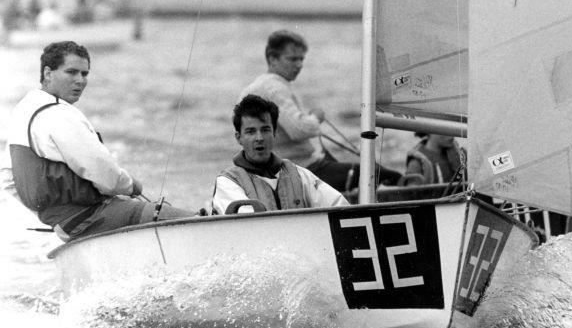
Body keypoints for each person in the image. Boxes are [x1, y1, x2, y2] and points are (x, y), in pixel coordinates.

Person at [0, 41, 194, 241]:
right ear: (48, 73)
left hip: (63, 225)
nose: (80, 81)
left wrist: (52, 217)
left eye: (85, 74)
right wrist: (131, 186)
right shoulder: (59, 114)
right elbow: (103, 171)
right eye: (72, 72)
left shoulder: (24, 110)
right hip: (90, 217)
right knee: (187, 218)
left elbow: (8, 179)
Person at [240, 29, 401, 192]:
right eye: (292, 59)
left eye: (301, 59)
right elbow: (298, 130)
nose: (299, 65)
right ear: (272, 58)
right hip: (299, 172)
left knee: (354, 168)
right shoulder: (274, 88)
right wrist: (316, 117)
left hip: (284, 169)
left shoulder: (257, 87)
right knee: (383, 175)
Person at [212, 94, 348, 214]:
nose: (259, 138)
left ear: (274, 133)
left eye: (265, 130)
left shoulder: (299, 174)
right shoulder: (228, 182)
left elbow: (339, 206)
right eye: (251, 131)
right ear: (238, 137)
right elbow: (247, 226)